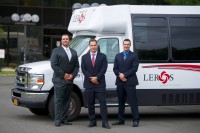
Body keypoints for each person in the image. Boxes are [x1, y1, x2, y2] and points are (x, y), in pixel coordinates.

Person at [50, 34, 79, 127]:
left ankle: (64, 119)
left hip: (70, 80)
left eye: (67, 39)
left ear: (69, 40)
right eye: (64, 39)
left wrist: (72, 75)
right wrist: (63, 74)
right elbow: (54, 65)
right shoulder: (56, 51)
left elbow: (76, 66)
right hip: (59, 80)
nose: (65, 40)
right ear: (61, 40)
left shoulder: (74, 52)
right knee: (58, 101)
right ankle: (57, 120)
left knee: (67, 100)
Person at [81, 39, 111, 129]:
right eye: (92, 45)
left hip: (100, 83)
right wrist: (91, 79)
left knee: (103, 104)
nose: (93, 47)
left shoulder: (103, 56)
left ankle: (105, 122)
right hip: (89, 84)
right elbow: (83, 69)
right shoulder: (84, 57)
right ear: (89, 46)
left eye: (95, 45)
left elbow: (104, 69)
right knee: (90, 104)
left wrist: (97, 78)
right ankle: (92, 121)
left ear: (97, 46)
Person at [112, 39, 140, 127]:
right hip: (120, 82)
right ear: (123, 45)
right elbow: (115, 68)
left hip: (130, 82)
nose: (126, 46)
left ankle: (136, 120)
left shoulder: (134, 55)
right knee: (120, 102)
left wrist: (124, 75)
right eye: (125, 44)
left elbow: (134, 68)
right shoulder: (118, 56)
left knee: (133, 102)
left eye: (128, 44)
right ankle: (121, 120)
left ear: (130, 45)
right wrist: (119, 75)